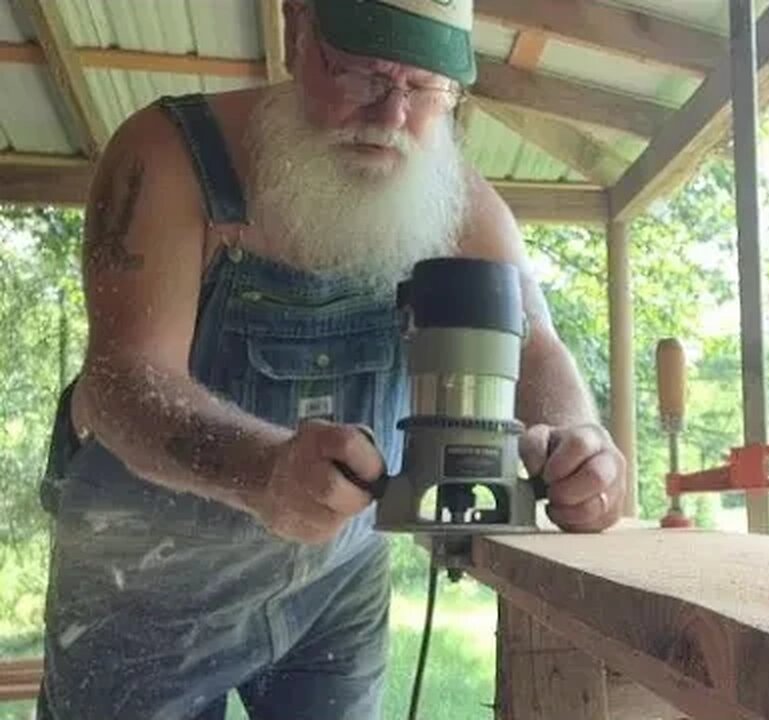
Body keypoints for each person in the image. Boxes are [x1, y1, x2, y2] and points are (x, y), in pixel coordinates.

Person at [35, 0, 625, 717]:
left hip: (332, 585)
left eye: (425, 87)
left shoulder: (458, 203)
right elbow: (122, 382)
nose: (390, 115)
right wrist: (263, 470)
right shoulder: (169, 155)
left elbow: (536, 347)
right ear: (297, 31)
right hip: (141, 583)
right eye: (363, 72)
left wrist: (578, 450)